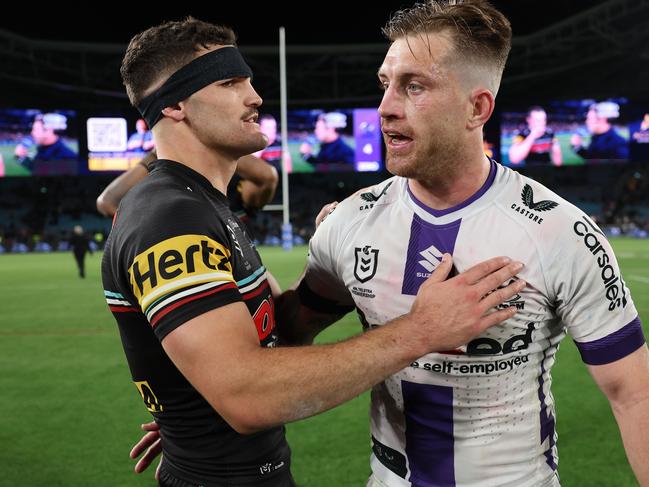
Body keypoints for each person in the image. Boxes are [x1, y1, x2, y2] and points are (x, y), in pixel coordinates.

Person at [102, 16, 522, 487]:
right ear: (175, 105)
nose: (255, 97)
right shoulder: (170, 218)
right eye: (229, 82)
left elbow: (274, 333)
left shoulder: (202, 205)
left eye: (249, 80)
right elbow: (247, 395)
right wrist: (422, 330)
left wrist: (337, 261)